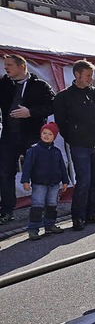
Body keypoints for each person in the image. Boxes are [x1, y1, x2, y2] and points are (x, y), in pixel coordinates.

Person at [54, 59, 95, 230]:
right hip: (80, 146)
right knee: (83, 180)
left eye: (92, 75)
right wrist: (73, 137)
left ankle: (92, 211)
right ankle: (78, 216)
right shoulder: (63, 96)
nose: (91, 78)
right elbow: (60, 122)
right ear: (77, 74)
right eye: (88, 75)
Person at [0, 54, 55, 224]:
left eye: (9, 64)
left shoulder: (39, 85)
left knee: (39, 172)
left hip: (31, 134)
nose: (6, 67)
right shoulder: (3, 84)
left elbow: (52, 105)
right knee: (4, 172)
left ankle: (45, 208)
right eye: (5, 64)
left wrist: (30, 112)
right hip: (9, 135)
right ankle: (7, 210)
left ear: (22, 66)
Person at [20, 122, 68, 240]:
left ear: (54, 137)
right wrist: (25, 181)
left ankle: (50, 225)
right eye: (44, 133)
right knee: (38, 205)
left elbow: (62, 167)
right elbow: (27, 167)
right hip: (39, 183)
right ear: (40, 134)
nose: (46, 135)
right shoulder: (34, 150)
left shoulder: (56, 151)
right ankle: (33, 229)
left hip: (54, 183)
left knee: (52, 204)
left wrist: (65, 180)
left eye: (50, 134)